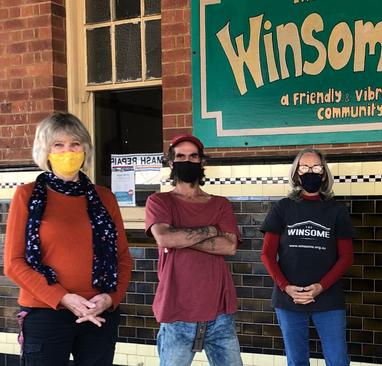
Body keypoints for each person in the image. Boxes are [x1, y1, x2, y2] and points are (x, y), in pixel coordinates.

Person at [3, 112, 133, 366]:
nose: (68, 151)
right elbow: (14, 263)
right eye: (58, 145)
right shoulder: (26, 195)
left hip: (98, 313)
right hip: (45, 312)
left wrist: (109, 299)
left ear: (85, 149)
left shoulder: (105, 198)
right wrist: (64, 298)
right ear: (46, 151)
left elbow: (123, 258)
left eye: (75, 144)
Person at [145, 134, 243, 366]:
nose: (187, 161)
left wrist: (182, 236)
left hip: (220, 313)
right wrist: (211, 230)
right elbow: (165, 238)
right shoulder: (159, 202)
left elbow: (229, 246)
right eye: (180, 156)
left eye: (193, 156)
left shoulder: (220, 204)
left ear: (202, 162)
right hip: (176, 311)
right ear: (171, 162)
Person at [260, 148, 354, 366]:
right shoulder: (282, 208)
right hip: (288, 300)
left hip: (328, 299)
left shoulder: (337, 211)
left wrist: (321, 287)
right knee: (297, 361)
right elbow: (266, 254)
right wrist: (285, 287)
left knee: (338, 360)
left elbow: (346, 257)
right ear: (296, 174)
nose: (310, 171)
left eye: (316, 167)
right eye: (304, 167)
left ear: (324, 173)